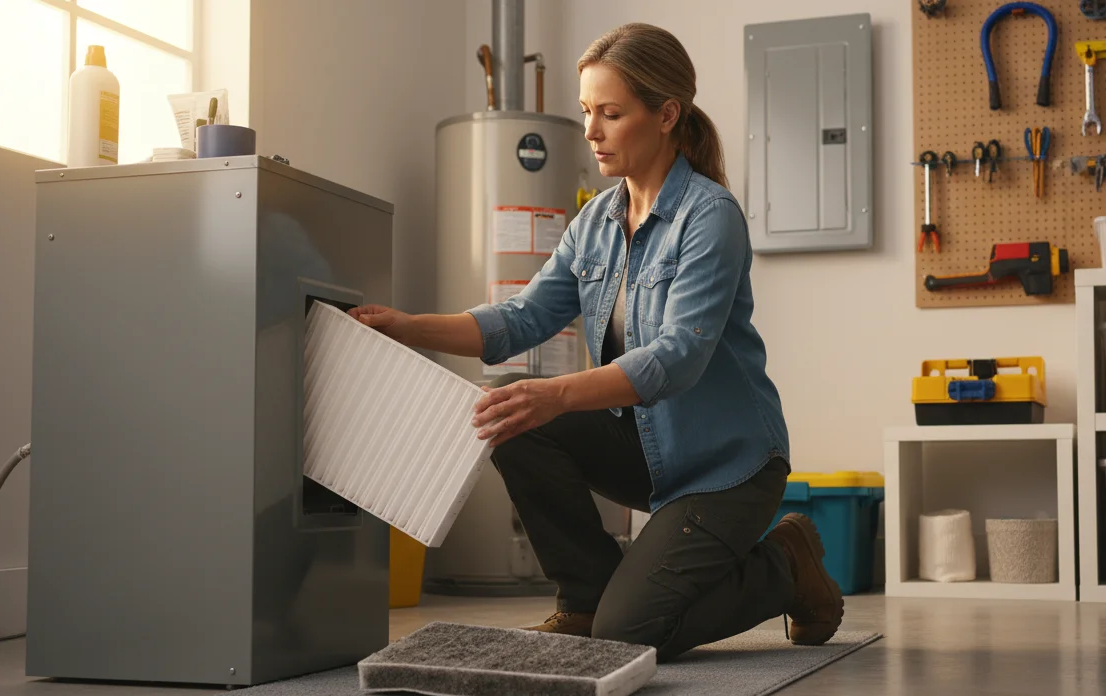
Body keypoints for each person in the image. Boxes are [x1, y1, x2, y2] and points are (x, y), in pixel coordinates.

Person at [348, 22, 841, 660]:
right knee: (507, 407)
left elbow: (677, 357)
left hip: (727, 469)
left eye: (610, 113)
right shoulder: (595, 223)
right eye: (585, 112)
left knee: (630, 635)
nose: (590, 131)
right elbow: (522, 318)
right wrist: (408, 327)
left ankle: (786, 561)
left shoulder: (710, 217)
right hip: (648, 450)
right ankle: (585, 599)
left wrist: (557, 394)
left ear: (667, 115)